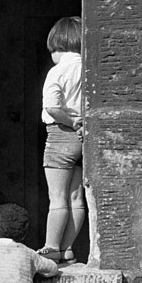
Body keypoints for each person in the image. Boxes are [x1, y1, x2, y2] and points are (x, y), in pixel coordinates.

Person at [37, 16, 84, 265]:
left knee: (57, 197)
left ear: (59, 46)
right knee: (76, 197)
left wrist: (70, 121)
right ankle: (67, 248)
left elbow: (52, 107)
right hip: (82, 137)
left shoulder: (58, 70)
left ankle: (51, 246)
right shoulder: (89, 68)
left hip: (60, 133)